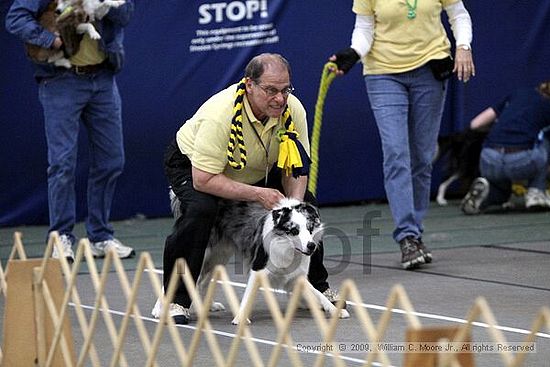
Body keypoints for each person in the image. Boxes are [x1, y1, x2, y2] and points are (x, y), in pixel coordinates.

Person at [162, 53, 342, 324]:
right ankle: (176, 300)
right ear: (249, 85)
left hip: (255, 168)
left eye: (285, 90)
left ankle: (312, 287)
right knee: (202, 210)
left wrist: (293, 209)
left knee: (307, 207)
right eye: (271, 90)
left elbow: (297, 169)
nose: (280, 99)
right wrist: (258, 194)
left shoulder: (293, 110)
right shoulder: (220, 114)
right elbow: (204, 180)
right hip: (196, 169)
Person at [329, 0, 475, 269]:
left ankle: (415, 232)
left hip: (430, 71)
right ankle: (407, 237)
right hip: (383, 74)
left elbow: (459, 15)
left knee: (422, 156)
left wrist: (463, 46)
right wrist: (354, 52)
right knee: (396, 153)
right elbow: (364, 28)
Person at [5, 0, 135, 262]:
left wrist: (103, 5)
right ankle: (60, 236)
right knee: (62, 163)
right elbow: (15, 17)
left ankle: (100, 236)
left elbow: (125, 14)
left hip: (103, 78)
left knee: (111, 161)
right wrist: (48, 39)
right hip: (60, 81)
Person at [460, 81, 550, 214]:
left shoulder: (517, 94)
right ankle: (536, 193)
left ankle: (485, 197)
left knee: (501, 190)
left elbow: (475, 124)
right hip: (522, 160)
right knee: (545, 141)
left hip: (488, 159)